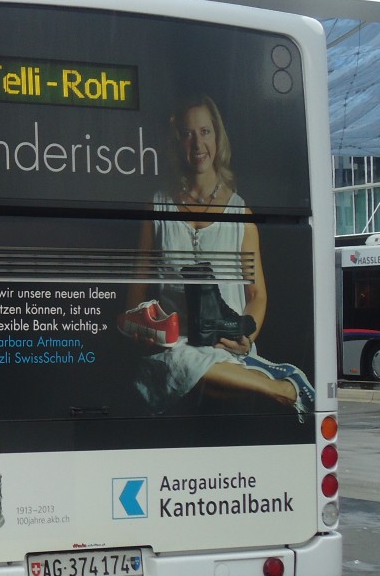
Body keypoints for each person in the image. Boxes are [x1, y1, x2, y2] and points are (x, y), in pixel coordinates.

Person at [119, 94, 313, 419]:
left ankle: (260, 374)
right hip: (174, 344)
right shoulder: (157, 208)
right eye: (187, 133)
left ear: (217, 137)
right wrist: (140, 330)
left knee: (194, 369)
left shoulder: (241, 214)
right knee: (178, 360)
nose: (197, 143)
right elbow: (135, 294)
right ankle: (283, 387)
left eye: (205, 132)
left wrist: (244, 337)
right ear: (176, 141)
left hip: (226, 345)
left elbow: (257, 295)